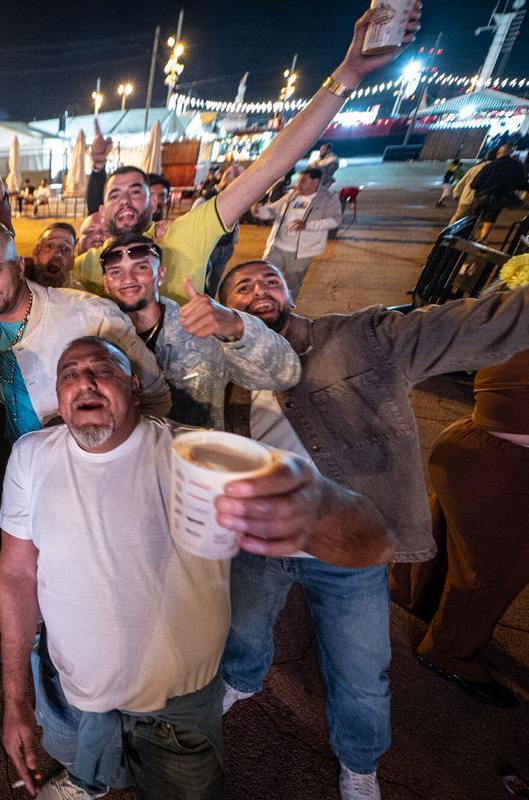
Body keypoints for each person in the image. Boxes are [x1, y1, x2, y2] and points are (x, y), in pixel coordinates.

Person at [0, 336, 393, 800]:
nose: (84, 380)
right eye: (69, 374)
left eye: (102, 369)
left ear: (134, 387)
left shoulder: (197, 455)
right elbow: (17, 574)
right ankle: (90, 781)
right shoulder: (30, 456)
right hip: (80, 691)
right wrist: (16, 700)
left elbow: (374, 540)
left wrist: (318, 503)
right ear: (61, 400)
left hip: (177, 705)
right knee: (90, 757)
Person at [216, 257, 529, 799]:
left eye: (270, 280)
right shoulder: (223, 371)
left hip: (349, 550)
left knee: (361, 671)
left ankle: (360, 763)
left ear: (290, 291)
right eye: (241, 286)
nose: (259, 290)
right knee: (243, 629)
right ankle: (242, 679)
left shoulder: (364, 337)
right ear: (225, 307)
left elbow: (474, 324)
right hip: (261, 541)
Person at [75, 8, 416, 303]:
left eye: (137, 191)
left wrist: (350, 73)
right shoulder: (86, 265)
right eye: (115, 194)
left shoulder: (186, 233)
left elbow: (269, 166)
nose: (125, 201)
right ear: (102, 210)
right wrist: (98, 166)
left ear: (154, 204)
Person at [0, 142, 171, 441]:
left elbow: (157, 399)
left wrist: (96, 445)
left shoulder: (91, 318)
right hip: (16, 459)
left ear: (19, 266)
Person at [391, 348, 529, 709]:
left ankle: (413, 597)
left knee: (451, 536)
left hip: (470, 447)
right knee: (493, 572)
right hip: (504, 468)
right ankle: (450, 653)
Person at [99, 232, 300, 429]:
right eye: (116, 272)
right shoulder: (99, 335)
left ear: (160, 274)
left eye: (141, 267)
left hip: (193, 455)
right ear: (106, 283)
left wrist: (237, 326)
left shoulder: (203, 327)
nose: (128, 278)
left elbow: (283, 375)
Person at [250, 167, 342, 300]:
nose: (298, 184)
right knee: (264, 276)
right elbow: (272, 212)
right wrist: (258, 210)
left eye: (303, 180)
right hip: (277, 247)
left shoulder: (328, 198)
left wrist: (307, 225)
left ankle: (286, 310)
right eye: (299, 180)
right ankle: (263, 305)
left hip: (301, 253)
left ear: (315, 182)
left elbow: (335, 220)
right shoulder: (292, 195)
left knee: (292, 285)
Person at [468, 143, 527, 240]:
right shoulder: (518, 166)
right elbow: (521, 183)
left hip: (482, 196)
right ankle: (482, 239)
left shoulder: (491, 165)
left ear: (499, 153)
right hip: (500, 197)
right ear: (511, 152)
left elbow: (475, 183)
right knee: (490, 218)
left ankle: (468, 235)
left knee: (473, 216)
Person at [24, 222, 80, 290]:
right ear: (36, 253)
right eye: (50, 246)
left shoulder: (80, 296)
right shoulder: (15, 284)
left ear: (72, 263)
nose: (57, 254)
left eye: (65, 249)